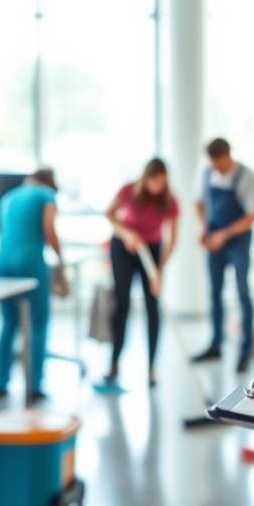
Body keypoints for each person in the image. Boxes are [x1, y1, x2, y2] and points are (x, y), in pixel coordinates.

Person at [102, 157, 179, 390]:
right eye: (154, 182)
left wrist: (159, 272)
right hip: (124, 247)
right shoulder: (128, 190)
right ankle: (114, 363)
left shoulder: (170, 201)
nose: (157, 187)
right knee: (122, 304)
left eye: (161, 183)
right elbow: (109, 214)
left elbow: (172, 239)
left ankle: (151, 366)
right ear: (145, 179)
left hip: (151, 252)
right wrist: (127, 234)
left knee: (152, 308)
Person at [0, 168, 66, 404]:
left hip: (2, 263)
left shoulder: (7, 197)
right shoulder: (46, 195)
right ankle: (34, 386)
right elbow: (49, 229)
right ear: (50, 183)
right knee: (39, 324)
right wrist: (61, 260)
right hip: (30, 263)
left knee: (9, 323)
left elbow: (4, 232)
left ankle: (0, 383)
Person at [191, 138, 254, 374]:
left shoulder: (245, 176)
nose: (215, 166)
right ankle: (215, 345)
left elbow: (252, 215)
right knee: (215, 292)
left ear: (228, 156)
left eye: (218, 161)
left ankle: (246, 348)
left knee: (242, 292)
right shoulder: (206, 173)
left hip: (237, 242)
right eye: (211, 162)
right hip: (214, 241)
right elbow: (199, 203)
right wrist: (204, 229)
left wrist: (224, 234)